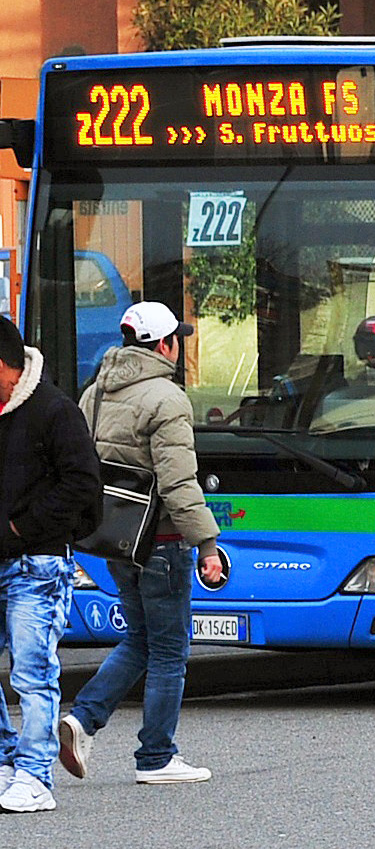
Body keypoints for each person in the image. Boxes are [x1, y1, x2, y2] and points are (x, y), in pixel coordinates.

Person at [60, 301, 224, 786]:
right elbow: (178, 483)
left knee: (139, 639)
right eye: (179, 339)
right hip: (164, 543)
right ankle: (156, 756)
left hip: (117, 541)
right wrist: (208, 545)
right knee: (170, 650)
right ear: (165, 345)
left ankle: (83, 719)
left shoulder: (96, 393)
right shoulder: (167, 399)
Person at [0, 316, 102, 813]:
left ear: (5, 367)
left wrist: (21, 529)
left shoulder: (54, 410)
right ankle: (5, 762)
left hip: (37, 565)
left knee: (32, 673)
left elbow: (83, 485)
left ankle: (36, 775)